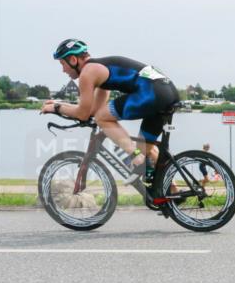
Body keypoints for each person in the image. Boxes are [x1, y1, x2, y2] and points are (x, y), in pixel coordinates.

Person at [41, 39, 178, 184]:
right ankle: (171, 191)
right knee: (146, 149)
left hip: (152, 93)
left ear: (73, 60)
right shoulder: (100, 70)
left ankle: (137, 159)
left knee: (104, 119)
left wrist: (55, 107)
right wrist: (61, 104)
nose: (63, 70)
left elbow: (84, 114)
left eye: (62, 64)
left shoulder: (88, 72)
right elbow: (92, 109)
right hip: (167, 92)